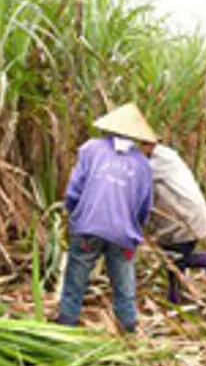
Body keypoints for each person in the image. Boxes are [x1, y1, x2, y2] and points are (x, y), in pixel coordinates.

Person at [55, 104, 157, 333]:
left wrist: (71, 213)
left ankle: (66, 324)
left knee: (75, 281)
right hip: (123, 235)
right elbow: (144, 207)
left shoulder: (91, 149)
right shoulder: (142, 164)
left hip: (88, 227)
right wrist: (136, 230)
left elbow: (74, 190)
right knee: (124, 288)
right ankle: (129, 330)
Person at [148, 143, 206, 303]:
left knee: (175, 259)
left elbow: (136, 174)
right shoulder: (163, 157)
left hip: (184, 217)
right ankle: (175, 296)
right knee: (174, 258)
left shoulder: (162, 160)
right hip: (179, 216)